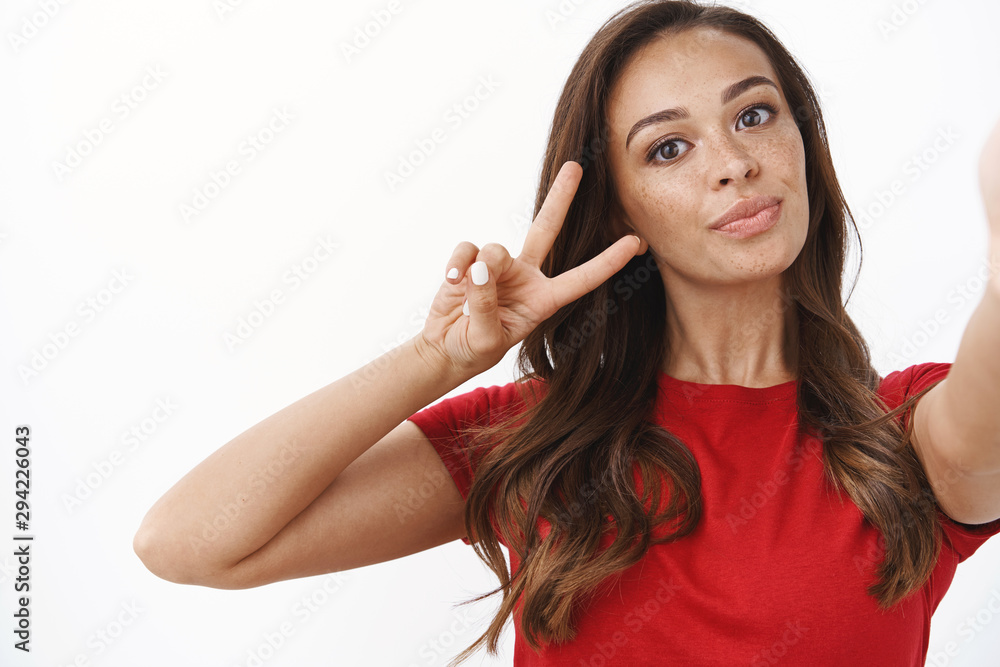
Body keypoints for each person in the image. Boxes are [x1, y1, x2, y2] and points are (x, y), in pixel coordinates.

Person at [134, 0, 1000, 664]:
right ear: (620, 207)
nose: (733, 162)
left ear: (803, 143)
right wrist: (437, 358)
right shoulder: (538, 437)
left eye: (754, 115)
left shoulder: (902, 438)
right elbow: (187, 542)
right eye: (669, 148)